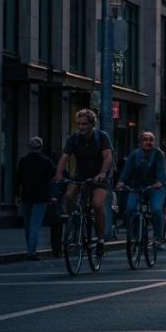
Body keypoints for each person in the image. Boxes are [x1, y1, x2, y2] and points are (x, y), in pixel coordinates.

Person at [54, 109, 114, 257]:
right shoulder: (74, 138)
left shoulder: (101, 137)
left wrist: (102, 173)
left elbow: (107, 157)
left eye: (84, 124)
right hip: (81, 174)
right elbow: (64, 157)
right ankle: (71, 220)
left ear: (92, 124)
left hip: (99, 175)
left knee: (97, 204)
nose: (81, 127)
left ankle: (100, 240)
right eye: (79, 124)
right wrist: (59, 174)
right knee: (68, 195)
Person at [116, 131, 166, 248]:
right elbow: (127, 170)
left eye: (151, 140)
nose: (148, 142)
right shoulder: (134, 154)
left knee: (155, 209)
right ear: (140, 143)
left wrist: (159, 181)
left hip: (155, 187)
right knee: (130, 208)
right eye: (145, 140)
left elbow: (161, 170)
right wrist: (121, 182)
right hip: (137, 187)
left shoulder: (158, 154)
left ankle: (158, 238)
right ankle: (134, 236)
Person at [17, 137, 55, 259]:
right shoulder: (46, 161)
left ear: (30, 147)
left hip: (26, 195)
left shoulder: (23, 161)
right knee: (35, 224)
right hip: (41, 197)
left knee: (27, 224)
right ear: (41, 147)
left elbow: (18, 179)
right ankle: (31, 252)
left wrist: (16, 194)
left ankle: (30, 249)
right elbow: (54, 176)